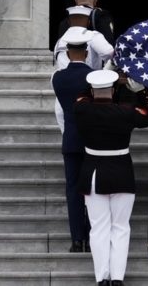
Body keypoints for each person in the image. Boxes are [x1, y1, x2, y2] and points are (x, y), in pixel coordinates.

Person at [74, 68, 148, 286]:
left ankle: (102, 277)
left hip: (93, 173)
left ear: (92, 90)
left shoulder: (82, 109)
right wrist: (141, 92)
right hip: (121, 172)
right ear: (113, 90)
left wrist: (101, 73)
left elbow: (82, 95)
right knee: (120, 227)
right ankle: (118, 278)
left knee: (99, 227)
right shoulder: (126, 111)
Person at [50, 29, 94, 254]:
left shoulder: (58, 78)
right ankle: (91, 235)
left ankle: (77, 239)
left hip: (70, 140)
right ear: (86, 53)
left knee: (73, 190)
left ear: (67, 52)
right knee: (92, 191)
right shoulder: (94, 77)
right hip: (93, 141)